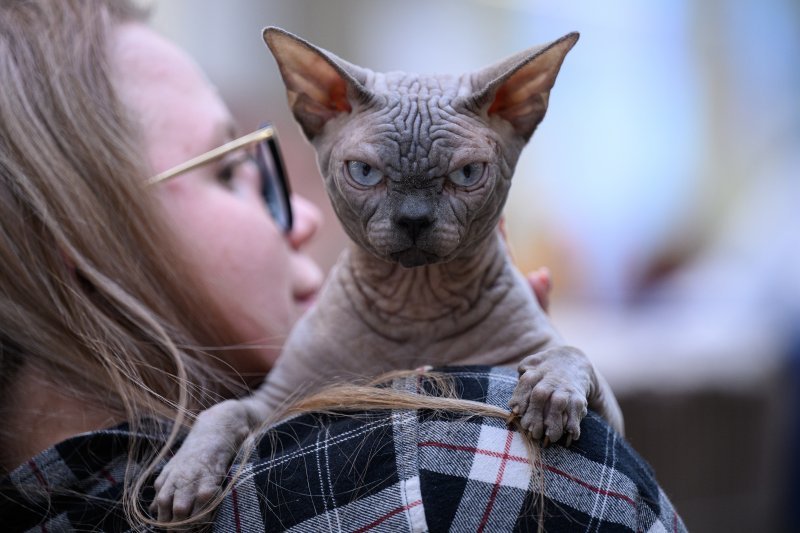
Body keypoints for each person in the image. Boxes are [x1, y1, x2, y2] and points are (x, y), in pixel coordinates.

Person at [0, 1, 686, 531]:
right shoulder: (455, 475)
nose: (301, 216)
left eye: (466, 174)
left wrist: (561, 366)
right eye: (235, 168)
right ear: (79, 234)